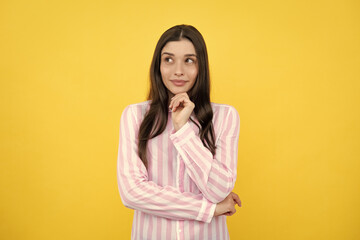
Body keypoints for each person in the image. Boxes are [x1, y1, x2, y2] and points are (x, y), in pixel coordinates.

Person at [117, 24, 241, 240]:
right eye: (169, 59)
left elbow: (219, 191)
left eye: (189, 60)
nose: (178, 71)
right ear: (158, 65)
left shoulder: (226, 117)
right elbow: (132, 193)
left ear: (201, 66)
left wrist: (183, 130)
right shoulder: (135, 116)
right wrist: (209, 209)